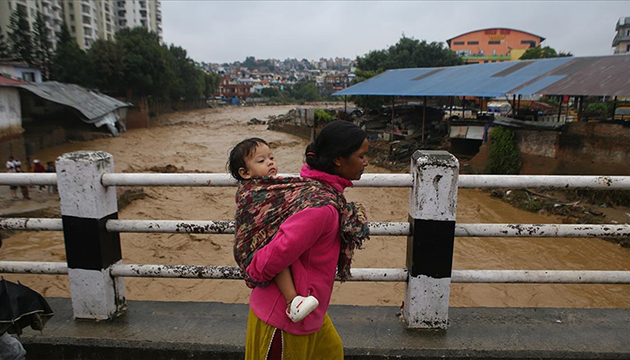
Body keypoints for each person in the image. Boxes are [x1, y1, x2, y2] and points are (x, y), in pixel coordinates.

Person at [238, 120, 370, 360]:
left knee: (332, 352)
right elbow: (270, 257)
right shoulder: (321, 208)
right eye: (361, 156)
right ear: (339, 159)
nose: (366, 162)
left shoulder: (315, 189)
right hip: (284, 318)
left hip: (310, 309)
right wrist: (253, 274)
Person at [228, 138, 319, 323]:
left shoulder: (277, 186)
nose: (270, 162)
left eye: (271, 157)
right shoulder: (252, 192)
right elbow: (255, 220)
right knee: (276, 255)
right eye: (261, 161)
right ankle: (292, 302)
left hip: (271, 242)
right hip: (255, 246)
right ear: (245, 173)